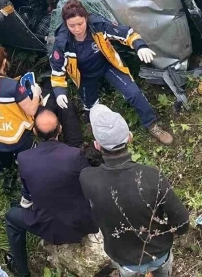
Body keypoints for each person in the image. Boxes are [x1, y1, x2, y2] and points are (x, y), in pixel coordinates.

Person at [80, 104, 189, 277]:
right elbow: (182, 223)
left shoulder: (87, 178)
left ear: (97, 145)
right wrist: (164, 232)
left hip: (125, 259)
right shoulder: (151, 177)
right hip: (159, 253)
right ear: (129, 138)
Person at [49, 0, 173, 145]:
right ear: (66, 24)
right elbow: (57, 71)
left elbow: (126, 33)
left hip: (107, 65)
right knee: (91, 107)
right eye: (72, 26)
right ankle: (98, 133)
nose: (77, 29)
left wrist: (140, 46)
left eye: (80, 24)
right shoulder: (62, 42)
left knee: (133, 93)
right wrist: (59, 92)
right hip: (84, 76)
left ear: (86, 19)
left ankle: (152, 124)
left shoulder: (98, 25)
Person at [4, 109, 98, 277]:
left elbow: (28, 192)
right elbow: (91, 185)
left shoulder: (24, 158)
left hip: (49, 228)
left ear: (34, 132)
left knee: (12, 216)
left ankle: (22, 271)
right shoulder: (75, 155)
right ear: (60, 129)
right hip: (83, 224)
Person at [0, 45, 41, 157]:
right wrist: (36, 94)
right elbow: (32, 110)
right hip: (17, 139)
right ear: (4, 62)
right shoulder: (12, 86)